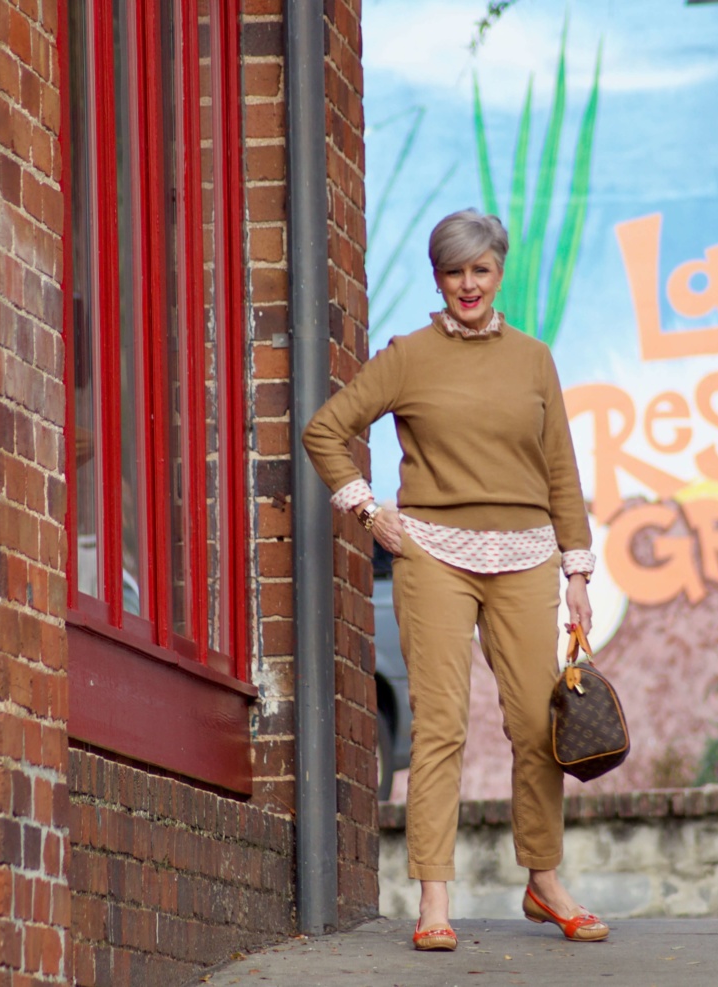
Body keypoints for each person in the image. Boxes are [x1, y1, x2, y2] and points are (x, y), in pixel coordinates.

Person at [303, 209, 609, 951]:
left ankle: (543, 880)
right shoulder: (408, 356)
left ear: (499, 272)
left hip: (527, 557)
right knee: (440, 725)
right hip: (434, 552)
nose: (468, 284)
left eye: (480, 269)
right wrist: (368, 508)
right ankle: (433, 897)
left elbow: (560, 468)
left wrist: (576, 569)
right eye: (453, 271)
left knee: (537, 723)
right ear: (438, 278)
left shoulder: (534, 359)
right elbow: (326, 428)